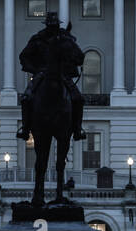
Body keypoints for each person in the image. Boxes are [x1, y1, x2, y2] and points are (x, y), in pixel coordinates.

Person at [17, 11, 85, 141]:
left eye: (55, 26)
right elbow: (24, 56)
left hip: (62, 74)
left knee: (78, 98)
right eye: (51, 26)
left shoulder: (65, 38)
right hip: (42, 73)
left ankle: (77, 129)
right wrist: (35, 70)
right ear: (47, 26)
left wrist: (72, 63)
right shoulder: (38, 39)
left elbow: (77, 55)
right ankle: (25, 129)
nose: (53, 29)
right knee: (26, 98)